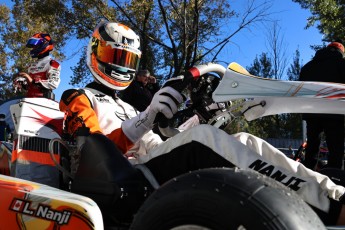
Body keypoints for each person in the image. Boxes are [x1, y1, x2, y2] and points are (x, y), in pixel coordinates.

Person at [59, 20, 345, 226]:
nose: (120, 65)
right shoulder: (78, 97)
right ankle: (331, 210)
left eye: (126, 59)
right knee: (203, 138)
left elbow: (168, 144)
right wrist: (146, 118)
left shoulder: (128, 105)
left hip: (150, 168)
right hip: (118, 180)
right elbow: (92, 151)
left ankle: (334, 194)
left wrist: (202, 115)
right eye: (114, 56)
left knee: (246, 140)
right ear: (95, 53)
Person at [299, 41, 345, 170]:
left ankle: (307, 171)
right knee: (335, 146)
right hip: (334, 110)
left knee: (312, 144)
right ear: (340, 51)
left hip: (312, 110)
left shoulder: (308, 66)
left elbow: (300, 88)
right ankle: (334, 174)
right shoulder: (341, 64)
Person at [13, 33, 61, 98]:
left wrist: (33, 81)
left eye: (35, 46)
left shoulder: (52, 63)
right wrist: (22, 82)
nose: (33, 49)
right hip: (29, 100)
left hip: (44, 102)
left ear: (44, 44)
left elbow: (53, 83)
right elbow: (30, 86)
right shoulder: (32, 65)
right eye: (33, 47)